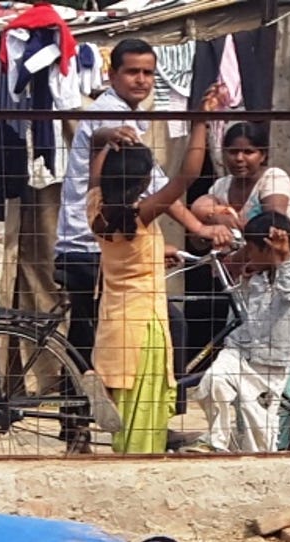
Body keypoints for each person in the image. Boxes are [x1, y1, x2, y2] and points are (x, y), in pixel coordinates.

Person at [56, 39, 213, 368]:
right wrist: (198, 227)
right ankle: (151, 407)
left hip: (94, 241)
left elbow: (150, 180)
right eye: (132, 72)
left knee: (89, 334)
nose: (141, 79)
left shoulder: (128, 119)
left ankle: (76, 413)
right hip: (88, 247)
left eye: (148, 73)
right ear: (112, 75)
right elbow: (169, 182)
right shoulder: (109, 114)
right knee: (161, 325)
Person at [91, 129, 196, 455]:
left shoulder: (95, 211)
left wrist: (106, 142)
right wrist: (203, 122)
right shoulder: (140, 217)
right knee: (144, 424)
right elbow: (187, 176)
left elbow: (94, 168)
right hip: (143, 331)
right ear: (142, 182)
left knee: (128, 418)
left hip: (114, 328)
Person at [191, 209, 290, 453]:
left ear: (269, 250)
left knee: (258, 436)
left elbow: (289, 292)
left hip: (269, 363)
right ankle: (216, 442)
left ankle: (255, 466)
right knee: (212, 382)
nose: (247, 253)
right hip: (240, 350)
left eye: (252, 248)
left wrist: (282, 259)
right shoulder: (258, 275)